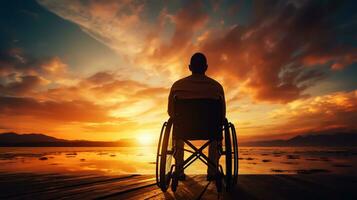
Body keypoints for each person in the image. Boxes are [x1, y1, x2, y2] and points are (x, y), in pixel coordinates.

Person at [167, 52, 226, 180]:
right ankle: (212, 172)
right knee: (216, 129)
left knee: (176, 125)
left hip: (184, 129)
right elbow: (222, 116)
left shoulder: (177, 86)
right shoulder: (216, 87)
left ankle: (179, 170)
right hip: (210, 129)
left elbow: (171, 112)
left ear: (190, 67)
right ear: (206, 67)